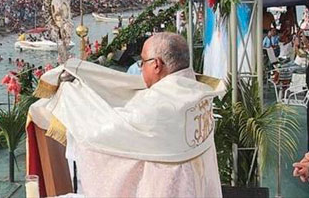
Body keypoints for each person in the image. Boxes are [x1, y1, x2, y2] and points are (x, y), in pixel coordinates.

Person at [29, 33, 223, 197]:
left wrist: (71, 95)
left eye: (143, 62)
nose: (140, 68)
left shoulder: (158, 108)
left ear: (156, 65)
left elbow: (101, 130)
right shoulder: (198, 92)